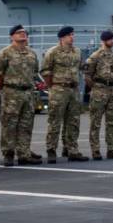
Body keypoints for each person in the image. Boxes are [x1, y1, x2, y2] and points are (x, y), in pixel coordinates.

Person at [0, 25, 42, 167]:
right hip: (11, 92)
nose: (23, 35)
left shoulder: (31, 53)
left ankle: (24, 154)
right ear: (12, 36)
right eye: (19, 33)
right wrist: (3, 89)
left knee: (26, 124)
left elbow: (35, 72)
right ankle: (8, 154)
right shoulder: (5, 53)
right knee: (9, 124)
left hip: (28, 93)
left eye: (24, 33)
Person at [41, 26, 88, 163]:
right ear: (62, 37)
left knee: (73, 121)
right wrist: (53, 86)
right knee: (55, 121)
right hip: (58, 90)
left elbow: (81, 67)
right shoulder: (53, 52)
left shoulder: (77, 52)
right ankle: (51, 150)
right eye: (69, 35)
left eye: (73, 34)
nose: (72, 37)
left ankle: (72, 149)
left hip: (73, 90)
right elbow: (45, 71)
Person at [84, 29, 113, 160]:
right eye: (110, 39)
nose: (112, 41)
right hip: (99, 90)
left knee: (112, 120)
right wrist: (96, 87)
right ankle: (95, 150)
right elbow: (87, 75)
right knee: (95, 122)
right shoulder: (95, 56)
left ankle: (111, 148)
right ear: (103, 41)